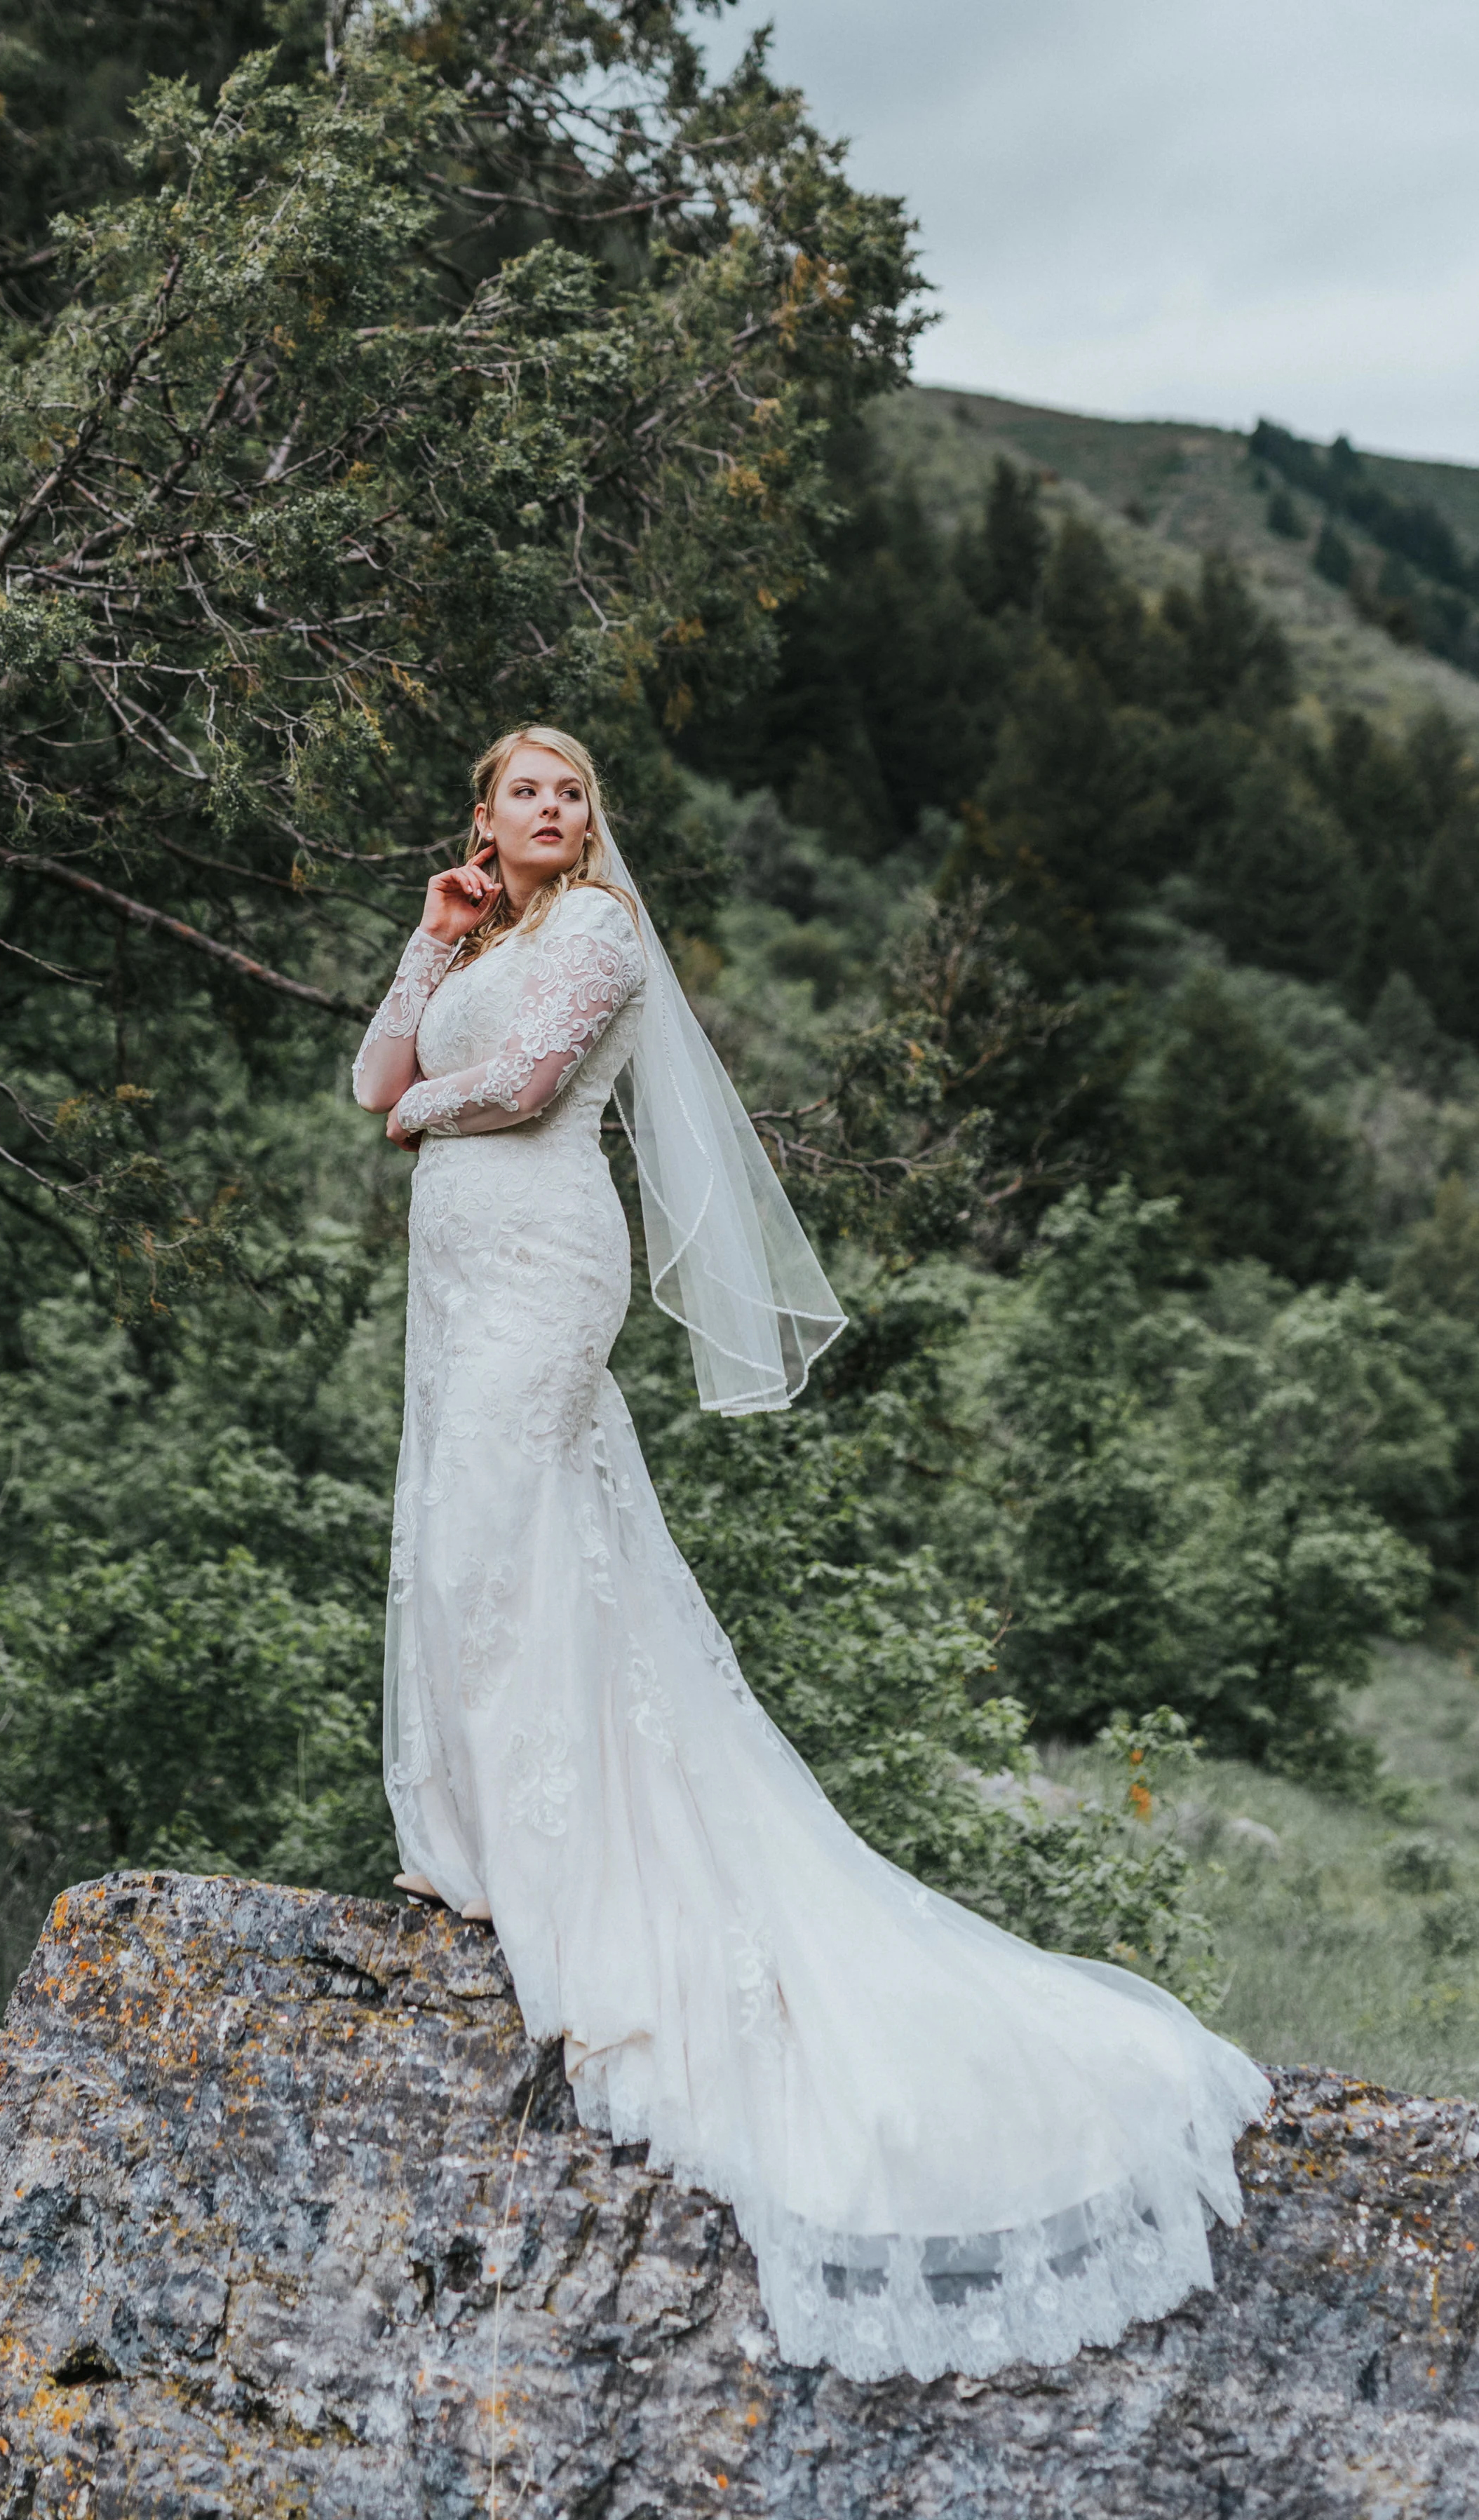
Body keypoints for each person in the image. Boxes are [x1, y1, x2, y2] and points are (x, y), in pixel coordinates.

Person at [351, 724, 1269, 2384]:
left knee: (511, 1524)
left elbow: (527, 1084)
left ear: (588, 821)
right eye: (522, 793)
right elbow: (373, 1079)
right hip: (455, 1269)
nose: (550, 811)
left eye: (572, 792)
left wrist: (426, 1099)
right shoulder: (474, 929)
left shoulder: (603, 934)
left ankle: (550, 1871)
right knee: (459, 1534)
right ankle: (469, 1837)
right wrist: (427, 942)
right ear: (482, 818)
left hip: (547, 1249)